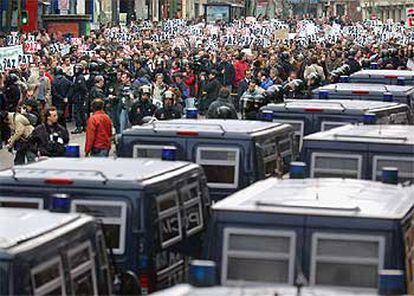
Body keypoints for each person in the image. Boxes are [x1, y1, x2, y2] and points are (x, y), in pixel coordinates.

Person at [70, 64, 88, 134]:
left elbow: (82, 87)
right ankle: (84, 126)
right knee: (81, 112)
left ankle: (79, 127)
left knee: (77, 112)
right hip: (78, 97)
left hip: (79, 97)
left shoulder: (80, 78)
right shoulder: (76, 77)